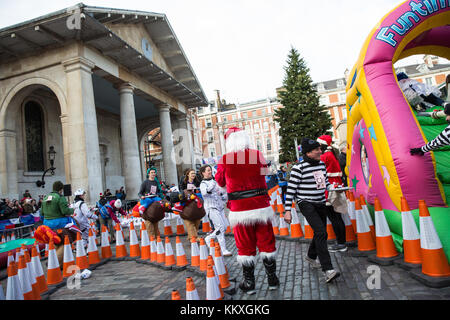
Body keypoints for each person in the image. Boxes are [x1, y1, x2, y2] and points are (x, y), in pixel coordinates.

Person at [216, 127, 279, 294]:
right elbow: (265, 174)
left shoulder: (225, 159)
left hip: (240, 207)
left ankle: (249, 283)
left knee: (244, 245)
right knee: (267, 242)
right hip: (261, 204)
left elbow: (220, 182)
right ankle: (272, 279)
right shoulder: (256, 154)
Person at [284, 138, 341, 283]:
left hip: (320, 202)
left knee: (320, 232)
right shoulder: (299, 168)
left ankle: (311, 256)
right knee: (322, 232)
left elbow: (324, 183)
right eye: (317, 149)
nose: (320, 151)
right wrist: (287, 210)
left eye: (320, 149)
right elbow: (291, 189)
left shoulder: (321, 164)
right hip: (306, 203)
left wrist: (333, 188)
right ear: (309, 152)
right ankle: (328, 269)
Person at [317, 135, 348, 253]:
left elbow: (319, 174)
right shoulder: (331, 155)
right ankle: (341, 242)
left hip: (329, 190)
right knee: (337, 217)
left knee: (335, 218)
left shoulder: (325, 156)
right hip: (334, 187)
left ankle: (341, 243)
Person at [199, 164, 232, 256]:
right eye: (208, 170)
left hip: (220, 208)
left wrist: (224, 195)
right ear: (203, 173)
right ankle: (223, 249)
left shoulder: (215, 181)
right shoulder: (203, 184)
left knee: (225, 226)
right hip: (211, 208)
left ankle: (209, 238)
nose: (210, 172)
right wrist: (213, 184)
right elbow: (205, 193)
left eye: (210, 170)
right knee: (220, 227)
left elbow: (221, 193)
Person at [40, 181, 76, 266]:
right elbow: (65, 211)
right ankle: (52, 262)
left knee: (56, 243)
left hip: (47, 226)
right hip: (59, 225)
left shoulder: (45, 197)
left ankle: (59, 264)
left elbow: (41, 213)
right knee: (65, 243)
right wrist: (72, 210)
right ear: (61, 189)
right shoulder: (60, 197)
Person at [176, 168, 203, 240]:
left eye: (194, 173)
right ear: (188, 174)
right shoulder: (184, 181)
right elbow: (181, 189)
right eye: (192, 173)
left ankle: (192, 235)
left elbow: (200, 189)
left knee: (198, 219)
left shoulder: (197, 181)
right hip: (186, 198)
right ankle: (180, 207)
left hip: (195, 198)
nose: (193, 175)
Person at [138, 167, 164, 236]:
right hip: (147, 198)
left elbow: (159, 191)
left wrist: (167, 191)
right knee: (148, 200)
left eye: (154, 172)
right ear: (148, 174)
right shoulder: (145, 182)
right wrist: (142, 196)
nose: (153, 174)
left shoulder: (156, 182)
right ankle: (142, 208)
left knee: (160, 201)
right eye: (152, 172)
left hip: (154, 197)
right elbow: (139, 193)